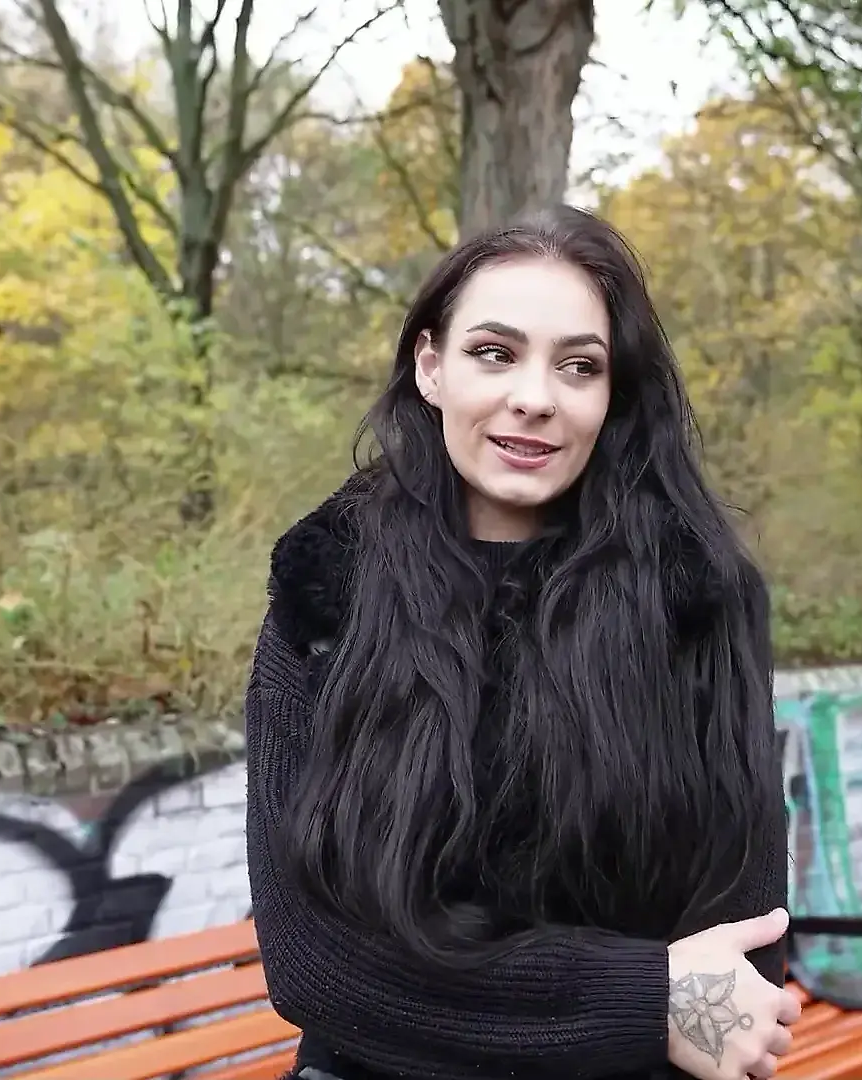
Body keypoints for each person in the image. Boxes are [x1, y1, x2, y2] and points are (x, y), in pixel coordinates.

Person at [244, 205, 800, 1080]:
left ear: (613, 395)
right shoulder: (327, 603)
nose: (536, 398)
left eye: (579, 366)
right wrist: (644, 998)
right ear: (431, 366)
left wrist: (652, 1009)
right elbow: (315, 967)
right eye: (495, 353)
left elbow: (742, 961)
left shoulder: (698, 602)